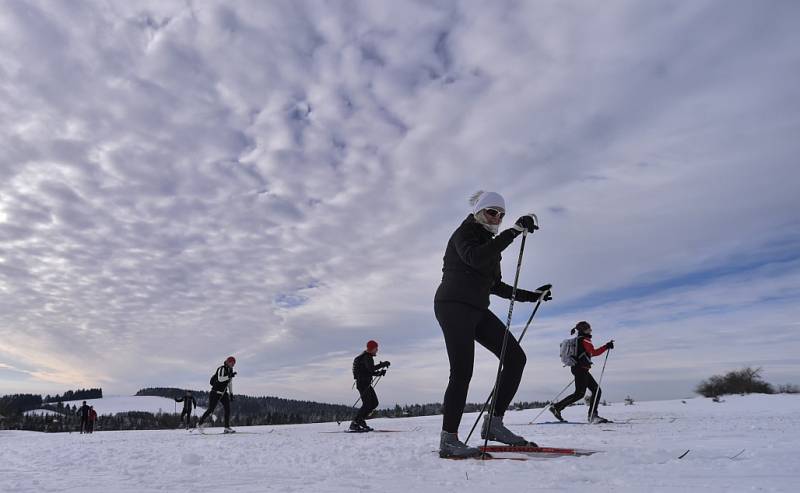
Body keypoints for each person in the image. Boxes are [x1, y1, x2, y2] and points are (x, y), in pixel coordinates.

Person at [434, 190, 553, 458]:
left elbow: (495, 285)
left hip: (477, 309)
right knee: (462, 371)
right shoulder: (464, 233)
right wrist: (513, 232)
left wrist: (533, 296)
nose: (497, 217)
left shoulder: (490, 242)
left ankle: (494, 424)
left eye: (501, 215)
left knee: (515, 358)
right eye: (492, 212)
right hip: (452, 306)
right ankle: (449, 440)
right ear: (478, 211)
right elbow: (474, 258)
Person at [549, 321, 614, 423]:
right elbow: (594, 352)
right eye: (589, 328)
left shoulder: (578, 340)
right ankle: (591, 415)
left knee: (593, 390)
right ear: (583, 330)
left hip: (579, 369)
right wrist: (606, 346)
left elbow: (587, 354)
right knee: (582, 393)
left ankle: (558, 408)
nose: (591, 330)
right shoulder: (585, 340)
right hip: (581, 369)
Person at [349, 340, 390, 432]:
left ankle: (360, 420)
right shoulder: (367, 357)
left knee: (374, 403)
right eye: (376, 348)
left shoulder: (366, 357)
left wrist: (379, 373)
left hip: (365, 383)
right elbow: (371, 369)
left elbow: (368, 371)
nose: (377, 350)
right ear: (371, 348)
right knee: (368, 404)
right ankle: (355, 423)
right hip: (362, 384)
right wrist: (382, 365)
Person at [197, 356, 237, 433]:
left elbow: (230, 383)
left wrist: (231, 394)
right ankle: (199, 424)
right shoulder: (221, 369)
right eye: (231, 363)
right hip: (215, 392)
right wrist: (229, 376)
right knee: (210, 409)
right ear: (228, 362)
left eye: (234, 363)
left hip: (223, 393)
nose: (233, 364)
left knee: (227, 409)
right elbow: (220, 379)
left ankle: (226, 427)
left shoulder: (230, 370)